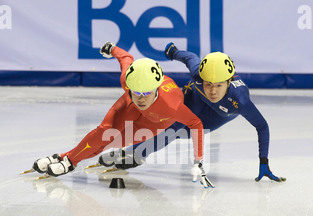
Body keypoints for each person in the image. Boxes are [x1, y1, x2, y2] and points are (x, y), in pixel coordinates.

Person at [31, 42, 214, 188]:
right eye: (137, 92)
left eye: (146, 93)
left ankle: (63, 156)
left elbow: (196, 124)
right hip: (129, 106)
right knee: (103, 133)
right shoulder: (128, 82)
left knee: (109, 142)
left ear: (156, 89)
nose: (141, 98)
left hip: (155, 121)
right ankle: (69, 161)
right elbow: (126, 58)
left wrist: (198, 161)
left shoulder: (172, 106)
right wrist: (112, 48)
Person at [103, 43, 286, 183]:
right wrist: (173, 52)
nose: (212, 91)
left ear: (229, 82)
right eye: (208, 84)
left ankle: (135, 152)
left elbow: (262, 126)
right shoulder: (198, 74)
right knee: (172, 127)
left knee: (180, 133)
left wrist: (264, 161)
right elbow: (190, 56)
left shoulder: (241, 101)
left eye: (219, 86)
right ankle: (135, 154)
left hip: (219, 114)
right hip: (195, 99)